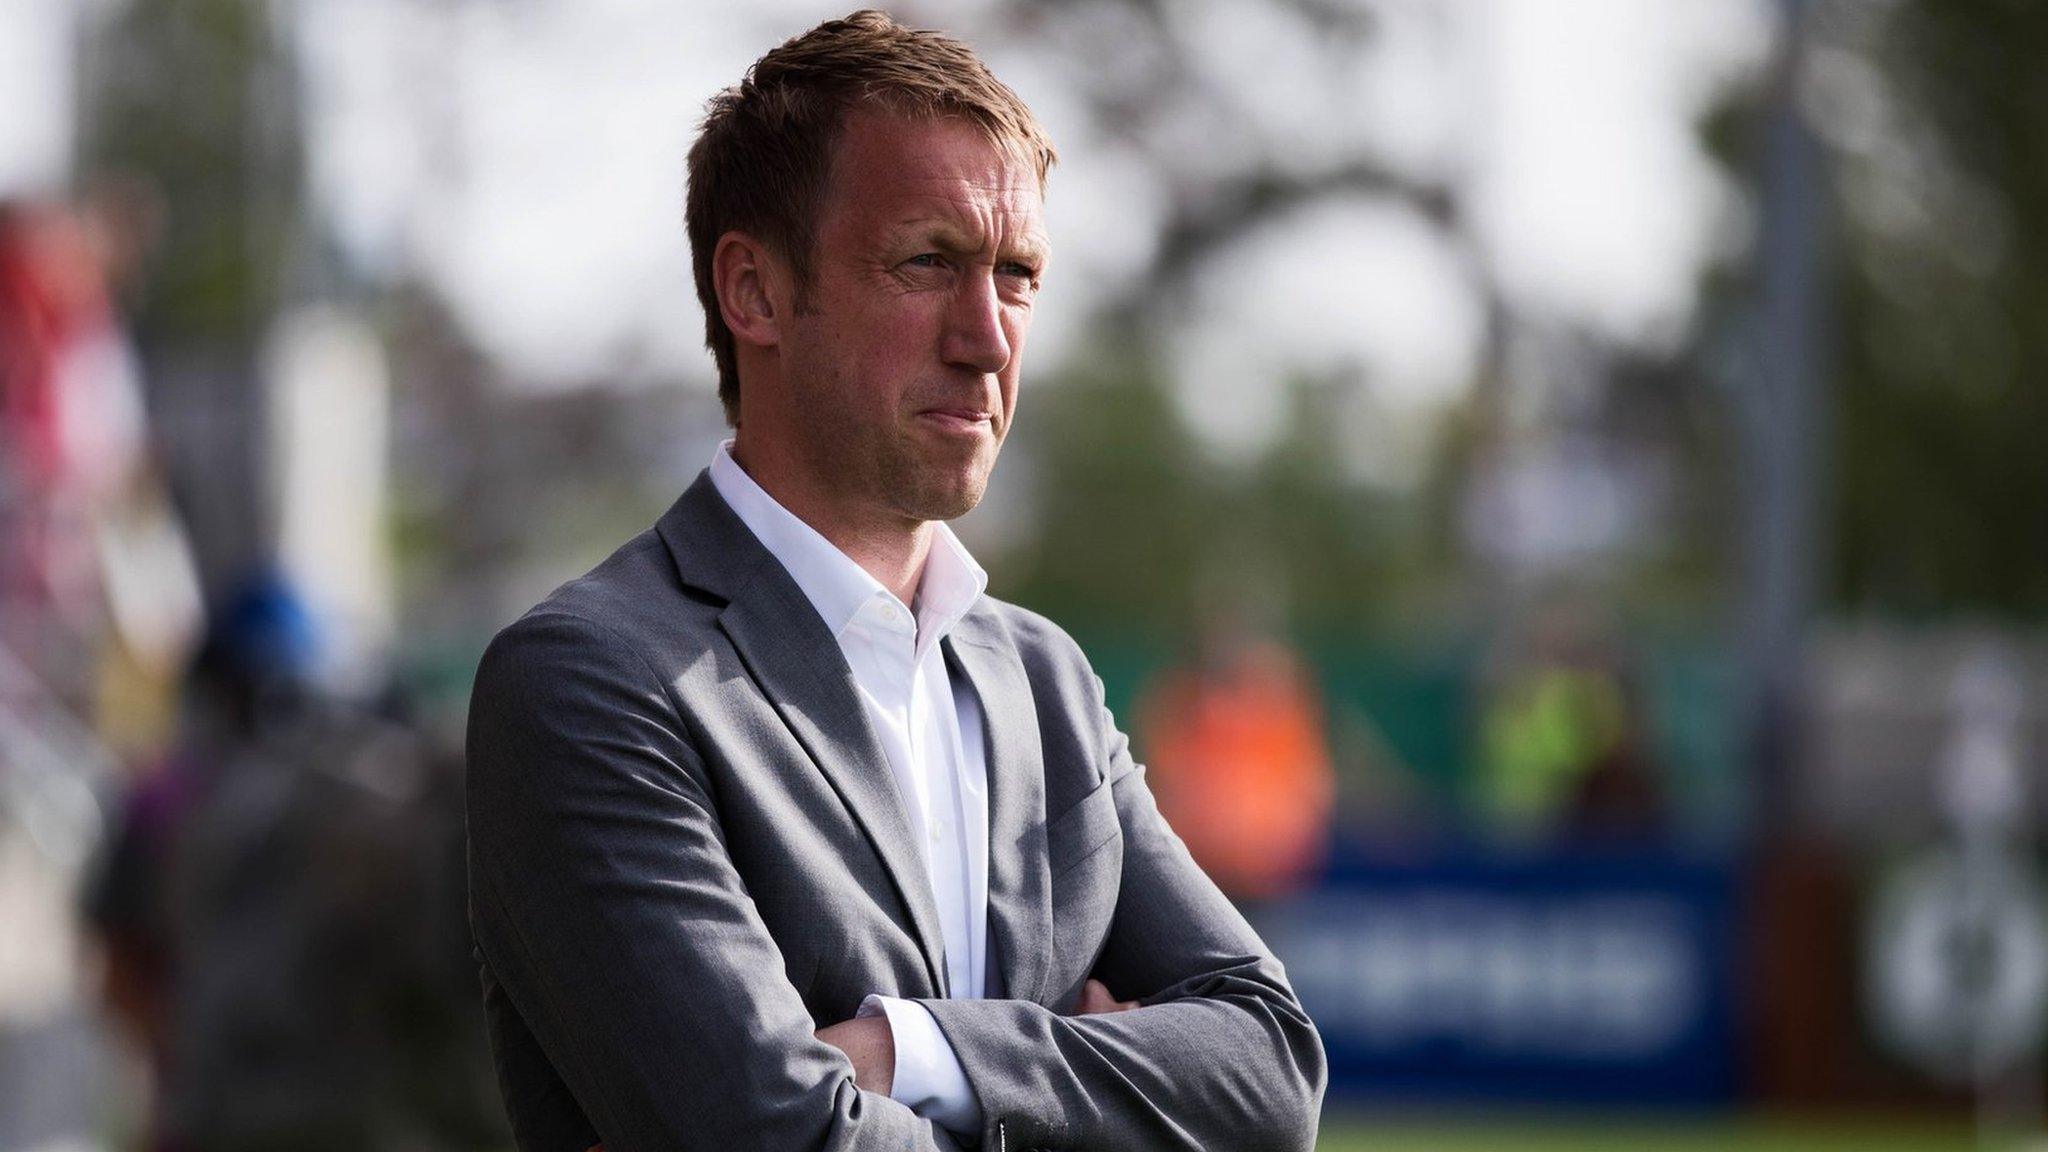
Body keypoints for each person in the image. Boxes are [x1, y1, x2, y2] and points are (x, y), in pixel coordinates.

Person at [464, 12, 1326, 1152]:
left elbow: (1269, 1072)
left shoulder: (1040, 681)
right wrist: (1096, 1090)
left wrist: (919, 1055)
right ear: (753, 293)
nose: (986, 337)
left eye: (1016, 276)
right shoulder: (589, 682)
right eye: (926, 262)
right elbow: (769, 1137)